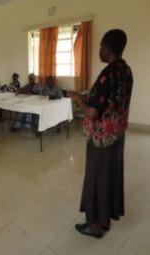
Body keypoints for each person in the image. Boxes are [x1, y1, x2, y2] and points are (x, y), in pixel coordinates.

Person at [68, 29, 133, 238]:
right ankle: (108, 215)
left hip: (101, 138)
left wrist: (78, 98)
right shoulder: (126, 70)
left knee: (98, 178)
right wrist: (92, 96)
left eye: (101, 46)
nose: (99, 50)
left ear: (109, 47)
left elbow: (92, 113)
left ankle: (97, 225)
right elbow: (111, 100)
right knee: (111, 175)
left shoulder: (108, 74)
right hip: (117, 134)